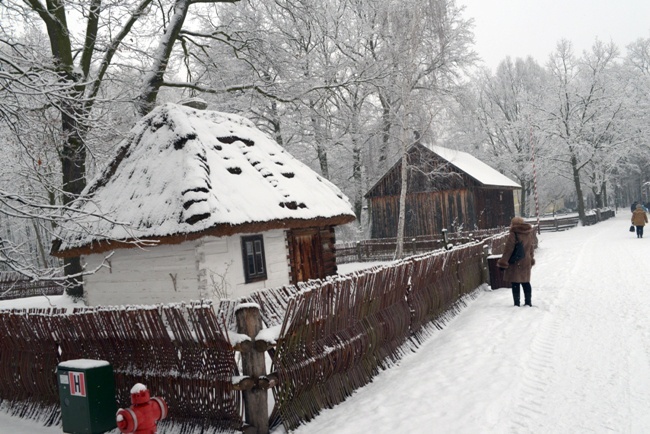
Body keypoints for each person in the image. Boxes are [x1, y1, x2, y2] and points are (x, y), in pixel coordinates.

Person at [497, 217, 536, 307]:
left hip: (516, 261)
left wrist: (503, 262)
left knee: (515, 282)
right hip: (526, 260)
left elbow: (508, 249)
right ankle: (528, 302)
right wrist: (531, 259)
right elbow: (531, 248)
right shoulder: (528, 233)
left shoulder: (514, 234)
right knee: (526, 282)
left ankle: (516, 303)